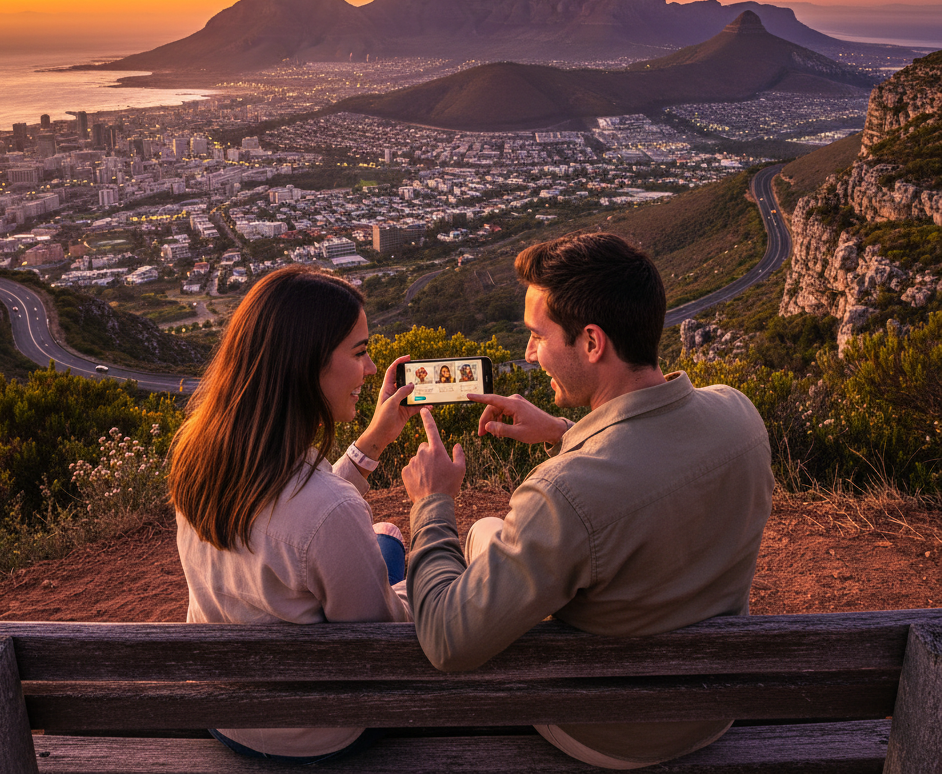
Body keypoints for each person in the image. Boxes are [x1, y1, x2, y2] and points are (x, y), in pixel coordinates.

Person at [402, 233, 773, 769]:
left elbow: (446, 640)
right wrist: (566, 432)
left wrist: (433, 502)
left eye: (537, 335)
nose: (529, 353)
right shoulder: (740, 417)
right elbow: (643, 466)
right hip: (715, 710)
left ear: (592, 343)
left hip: (614, 734)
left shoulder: (564, 494)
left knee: (482, 531)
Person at [169, 266, 423, 763]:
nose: (371, 369)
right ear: (307, 364)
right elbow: (381, 651)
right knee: (397, 543)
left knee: (382, 536)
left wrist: (374, 441)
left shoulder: (197, 456)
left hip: (226, 714)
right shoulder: (330, 510)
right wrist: (431, 578)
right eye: (360, 352)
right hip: (315, 734)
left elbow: (295, 520)